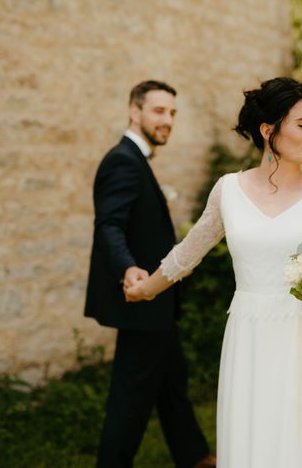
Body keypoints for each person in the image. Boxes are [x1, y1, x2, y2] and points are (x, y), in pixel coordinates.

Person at [126, 77, 302, 467]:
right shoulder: (228, 191)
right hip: (249, 338)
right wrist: (145, 289)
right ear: (268, 130)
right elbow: (188, 253)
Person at [84, 80, 215, 468]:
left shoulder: (137, 159)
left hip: (160, 300)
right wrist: (128, 268)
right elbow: (109, 224)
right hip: (143, 299)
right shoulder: (123, 159)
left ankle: (194, 456)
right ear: (134, 111)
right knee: (130, 396)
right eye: (159, 111)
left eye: (172, 113)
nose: (167, 120)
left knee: (172, 383)